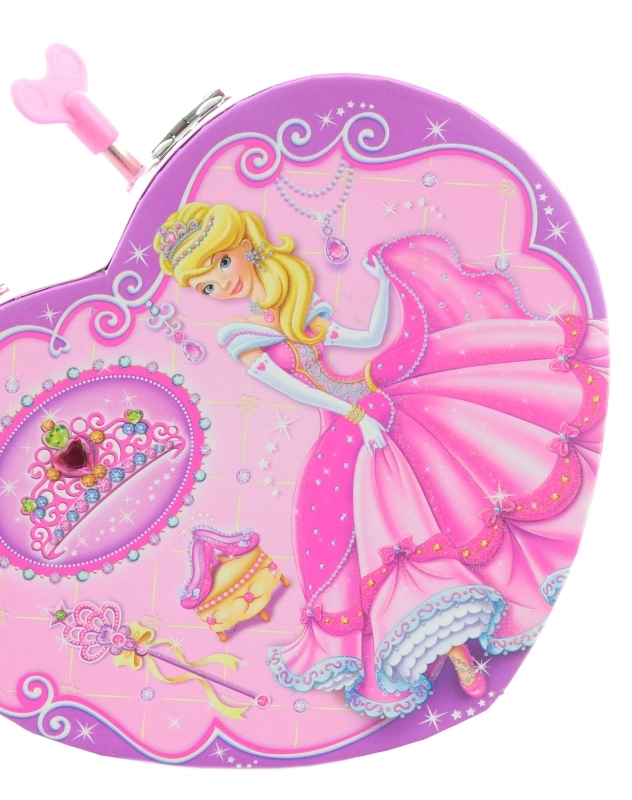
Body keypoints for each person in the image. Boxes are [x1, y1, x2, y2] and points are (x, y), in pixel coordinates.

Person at [155, 202, 607, 719]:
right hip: (348, 429)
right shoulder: (241, 337)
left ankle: (521, 582)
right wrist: (356, 416)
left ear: (243, 246)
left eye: (220, 264)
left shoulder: (297, 309)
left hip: (375, 405)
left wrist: (384, 284)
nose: (221, 284)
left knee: (459, 491)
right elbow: (299, 391)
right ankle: (458, 655)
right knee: (396, 535)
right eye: (206, 286)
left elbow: (368, 339)